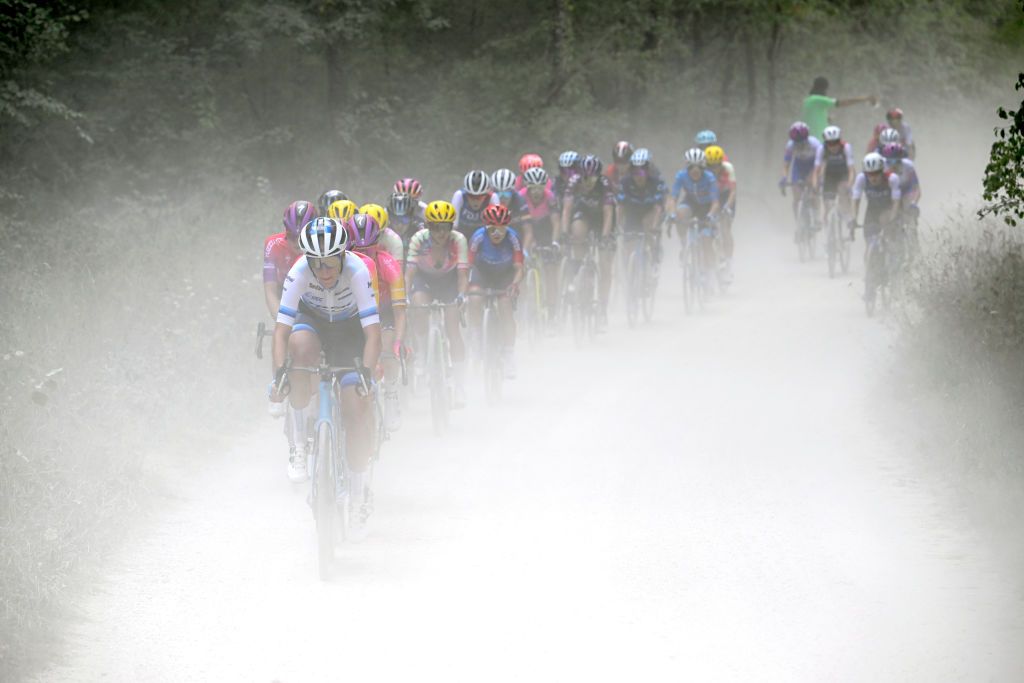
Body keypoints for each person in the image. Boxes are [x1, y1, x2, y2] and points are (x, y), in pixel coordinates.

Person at [268, 217, 381, 527]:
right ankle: (300, 442)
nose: (325, 271)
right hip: (314, 321)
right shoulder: (299, 272)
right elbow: (280, 333)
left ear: (342, 255)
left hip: (350, 331)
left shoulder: (358, 271)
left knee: (356, 411)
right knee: (300, 347)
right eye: (317, 263)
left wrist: (366, 376)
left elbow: (373, 334)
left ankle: (359, 493)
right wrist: (279, 374)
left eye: (331, 262)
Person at [406, 200, 470, 407]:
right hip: (424, 280)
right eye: (435, 227)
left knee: (453, 329)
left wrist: (462, 296)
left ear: (452, 227)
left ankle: (460, 386)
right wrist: (404, 296)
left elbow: (462, 274)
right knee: (418, 305)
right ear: (428, 226)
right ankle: (423, 356)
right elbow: (409, 273)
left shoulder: (458, 240)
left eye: (446, 227)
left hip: (449, 282)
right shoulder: (418, 239)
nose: (441, 233)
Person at [558, 154, 616, 330]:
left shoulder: (605, 184)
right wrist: (563, 232)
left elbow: (608, 213)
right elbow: (567, 209)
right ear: (580, 174)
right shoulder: (574, 182)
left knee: (605, 263)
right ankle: (578, 270)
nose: (588, 181)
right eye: (585, 177)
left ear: (598, 176)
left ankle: (603, 309)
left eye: (592, 178)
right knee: (577, 233)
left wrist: (605, 237)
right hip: (583, 214)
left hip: (602, 219)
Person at [467, 204, 524, 379]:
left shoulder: (513, 238)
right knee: (475, 300)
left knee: (506, 306)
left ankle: (508, 354)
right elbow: (468, 265)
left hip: (504, 275)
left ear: (507, 227)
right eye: (492, 230)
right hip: (482, 273)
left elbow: (519, 267)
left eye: (501, 229)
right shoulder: (477, 237)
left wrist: (515, 284)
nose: (497, 233)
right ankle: (476, 341)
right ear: (486, 227)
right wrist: (465, 288)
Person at [668, 148, 720, 278]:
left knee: (706, 240)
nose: (695, 171)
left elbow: (715, 203)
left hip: (707, 207)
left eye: (698, 167)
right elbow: (673, 198)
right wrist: (672, 215)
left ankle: (711, 275)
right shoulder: (681, 176)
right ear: (687, 167)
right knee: (680, 213)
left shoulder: (710, 177)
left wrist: (710, 216)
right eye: (691, 167)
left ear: (703, 167)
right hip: (691, 203)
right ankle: (684, 245)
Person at [518, 166, 562, 317]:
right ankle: (522, 306)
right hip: (527, 230)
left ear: (545, 187)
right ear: (527, 187)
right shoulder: (521, 197)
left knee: (550, 271)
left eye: (540, 188)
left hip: (545, 230)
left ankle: (552, 311)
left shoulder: (550, 197)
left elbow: (556, 222)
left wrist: (555, 243)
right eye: (533, 188)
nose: (536, 192)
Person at [264, 200, 317, 319]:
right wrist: (281, 322)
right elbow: (270, 290)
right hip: (285, 291)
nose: (297, 242)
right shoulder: (273, 245)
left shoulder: (323, 245)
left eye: (303, 236)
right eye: (292, 236)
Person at [616, 147, 666, 271]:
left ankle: (654, 256)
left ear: (648, 171)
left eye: (642, 172)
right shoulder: (625, 182)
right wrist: (616, 225)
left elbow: (658, 207)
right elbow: (620, 206)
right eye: (635, 172)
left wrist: (654, 227)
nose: (638, 177)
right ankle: (630, 273)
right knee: (628, 243)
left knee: (646, 225)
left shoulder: (656, 182)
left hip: (651, 211)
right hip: (633, 212)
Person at [801, 76, 877, 141]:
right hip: (819, 139)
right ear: (823, 88)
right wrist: (865, 99)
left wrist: (828, 119)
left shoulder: (808, 101)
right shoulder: (817, 99)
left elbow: (813, 118)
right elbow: (843, 102)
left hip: (811, 139)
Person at [780, 121, 823, 233]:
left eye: (802, 143)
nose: (799, 145)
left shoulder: (815, 144)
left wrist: (816, 179)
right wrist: (784, 178)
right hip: (799, 167)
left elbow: (821, 164)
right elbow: (786, 165)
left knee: (814, 192)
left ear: (807, 138)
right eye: (796, 143)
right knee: (796, 197)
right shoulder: (790, 146)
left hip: (813, 165)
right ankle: (798, 224)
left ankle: (817, 217)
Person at [850, 152, 901, 245]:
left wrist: (893, 219)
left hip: (888, 208)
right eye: (870, 174)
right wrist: (854, 218)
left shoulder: (892, 178)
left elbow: (896, 202)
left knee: (887, 229)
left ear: (882, 171)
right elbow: (855, 201)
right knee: (868, 239)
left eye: (876, 173)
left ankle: (892, 253)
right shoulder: (861, 178)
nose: (873, 178)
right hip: (872, 210)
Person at [703, 145, 737, 281]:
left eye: (717, 166)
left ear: (721, 163)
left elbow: (733, 190)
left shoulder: (728, 168)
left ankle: (728, 263)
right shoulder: (703, 170)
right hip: (711, 197)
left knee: (725, 227)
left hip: (726, 196)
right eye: (711, 166)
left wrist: (727, 207)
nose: (714, 169)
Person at [813, 125, 855, 224]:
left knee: (843, 192)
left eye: (836, 142)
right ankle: (826, 224)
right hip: (829, 175)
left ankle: (847, 217)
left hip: (843, 173)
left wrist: (850, 184)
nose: (833, 146)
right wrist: (815, 187)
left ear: (839, 141)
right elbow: (816, 171)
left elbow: (851, 170)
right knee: (827, 203)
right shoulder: (821, 149)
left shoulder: (846, 147)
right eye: (830, 143)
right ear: (826, 142)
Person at [452, 170, 499, 241]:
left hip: (484, 238)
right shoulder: (459, 195)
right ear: (466, 193)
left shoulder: (493, 197)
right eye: (471, 196)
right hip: (461, 236)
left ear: (486, 195)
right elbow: (453, 227)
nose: (475, 201)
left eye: (479, 197)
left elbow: (497, 227)